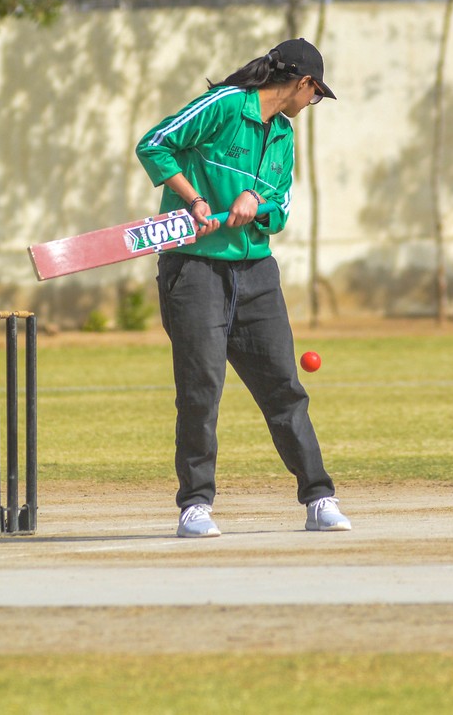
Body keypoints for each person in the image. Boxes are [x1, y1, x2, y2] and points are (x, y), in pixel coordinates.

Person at [135, 38, 351, 538]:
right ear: (303, 83)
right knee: (201, 391)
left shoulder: (283, 135)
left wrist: (256, 200)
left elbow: (281, 205)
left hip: (256, 275)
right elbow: (155, 142)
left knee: (284, 390)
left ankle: (319, 497)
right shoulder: (225, 105)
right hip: (194, 271)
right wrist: (194, 200)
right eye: (315, 95)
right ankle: (195, 506)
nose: (312, 104)